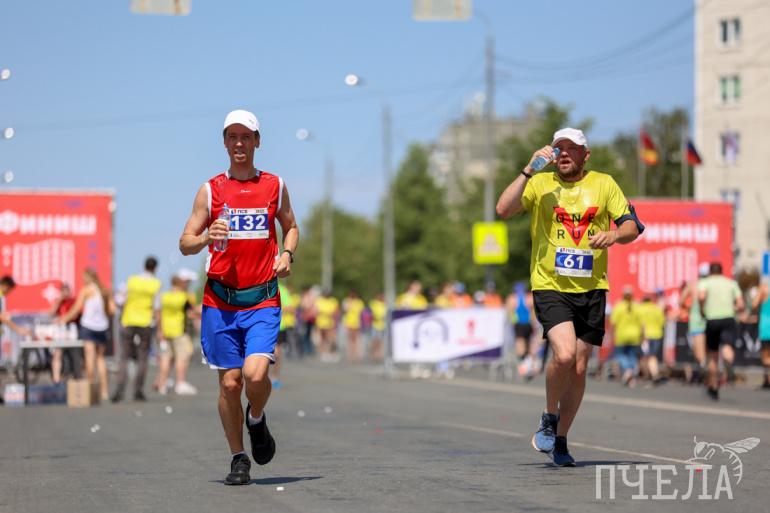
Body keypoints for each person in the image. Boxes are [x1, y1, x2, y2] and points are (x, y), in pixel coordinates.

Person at [496, 127, 642, 466]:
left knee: (578, 367)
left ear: (584, 155)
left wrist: (613, 235)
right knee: (563, 355)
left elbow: (632, 226)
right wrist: (528, 169)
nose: (563, 153)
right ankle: (549, 417)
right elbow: (503, 209)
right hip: (550, 284)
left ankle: (560, 439)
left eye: (571, 148)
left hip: (592, 288)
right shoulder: (540, 184)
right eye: (558, 148)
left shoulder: (604, 184)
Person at [179, 109, 299, 485]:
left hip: (262, 298)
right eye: (232, 137)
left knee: (254, 374)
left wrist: (287, 254)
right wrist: (205, 238)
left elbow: (291, 226)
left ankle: (256, 418)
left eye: (246, 136)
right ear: (224, 143)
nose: (239, 143)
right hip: (220, 302)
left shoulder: (274, 185)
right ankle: (238, 457)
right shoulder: (211, 189)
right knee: (230, 383)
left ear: (257, 141)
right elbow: (185, 242)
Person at [57, 269, 114, 400]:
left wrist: (64, 319)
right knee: (100, 359)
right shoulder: (104, 291)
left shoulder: (86, 290)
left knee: (89, 357)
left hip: (89, 327)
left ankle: (91, 389)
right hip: (102, 327)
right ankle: (104, 391)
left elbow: (76, 308)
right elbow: (112, 310)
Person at [112, 256, 161, 403]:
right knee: (142, 358)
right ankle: (138, 390)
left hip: (128, 321)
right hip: (145, 322)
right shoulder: (156, 284)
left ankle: (119, 388)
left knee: (124, 357)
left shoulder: (132, 281)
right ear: (155, 268)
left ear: (144, 266)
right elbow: (157, 308)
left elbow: (120, 301)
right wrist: (159, 328)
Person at [698, 262, 743, 400]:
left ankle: (714, 385)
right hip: (728, 318)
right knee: (727, 346)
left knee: (713, 355)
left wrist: (702, 310)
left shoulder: (705, 282)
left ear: (710, 271)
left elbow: (701, 297)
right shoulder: (731, 283)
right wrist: (732, 308)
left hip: (712, 319)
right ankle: (729, 361)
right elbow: (740, 304)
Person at [155, 272, 199, 396]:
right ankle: (180, 383)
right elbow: (191, 313)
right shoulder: (184, 297)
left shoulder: (164, 296)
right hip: (180, 331)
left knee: (165, 358)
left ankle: (162, 385)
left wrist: (159, 330)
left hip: (165, 331)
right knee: (181, 358)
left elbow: (158, 314)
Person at [47, 282, 82, 383]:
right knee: (57, 353)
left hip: (71, 330)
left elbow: (75, 315)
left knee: (75, 356)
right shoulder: (59, 302)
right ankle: (56, 379)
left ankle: (77, 378)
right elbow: (50, 313)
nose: (65, 293)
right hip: (60, 332)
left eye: (66, 291)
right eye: (63, 291)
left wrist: (64, 319)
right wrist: (59, 300)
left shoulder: (73, 301)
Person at [610, 288, 643, 387]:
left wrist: (612, 335)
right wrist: (643, 336)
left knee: (620, 355)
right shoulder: (637, 306)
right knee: (632, 356)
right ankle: (632, 377)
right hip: (635, 336)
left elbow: (613, 323)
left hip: (621, 335)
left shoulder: (619, 306)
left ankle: (627, 370)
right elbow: (642, 324)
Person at [272, 282, 298, 389]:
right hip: (258, 327)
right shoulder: (257, 285)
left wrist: (273, 308)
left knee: (276, 353)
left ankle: (274, 377)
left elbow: (291, 308)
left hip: (279, 327)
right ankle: (260, 377)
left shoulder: (281, 289)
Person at [638, 294, 666, 384]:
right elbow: (662, 322)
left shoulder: (640, 309)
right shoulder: (657, 309)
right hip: (657, 335)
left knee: (646, 356)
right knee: (651, 355)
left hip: (646, 336)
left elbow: (640, 324)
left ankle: (651, 375)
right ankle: (651, 374)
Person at [752, 278, 770, 390]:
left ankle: (767, 380)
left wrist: (760, 291)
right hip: (765, 328)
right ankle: (766, 380)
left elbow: (754, 304)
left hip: (766, 328)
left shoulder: (764, 289)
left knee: (765, 356)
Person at [314, 290, 340, 361]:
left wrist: (332, 314)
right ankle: (323, 352)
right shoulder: (319, 300)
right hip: (320, 322)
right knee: (322, 339)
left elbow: (336, 311)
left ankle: (330, 351)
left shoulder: (333, 301)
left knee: (330, 338)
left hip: (330, 322)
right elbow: (315, 311)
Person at [342, 290, 365, 362]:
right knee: (350, 339)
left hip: (357, 323)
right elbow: (344, 310)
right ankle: (350, 353)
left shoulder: (359, 302)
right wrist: (349, 303)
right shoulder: (346, 301)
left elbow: (362, 312)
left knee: (356, 339)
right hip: (348, 323)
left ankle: (356, 353)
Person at [368, 293, 386, 361]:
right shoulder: (373, 303)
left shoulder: (384, 304)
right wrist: (375, 317)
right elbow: (371, 313)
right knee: (375, 340)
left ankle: (379, 354)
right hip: (375, 325)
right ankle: (374, 353)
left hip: (383, 325)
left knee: (381, 341)